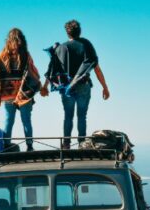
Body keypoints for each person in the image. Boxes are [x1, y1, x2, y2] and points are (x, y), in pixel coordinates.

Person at [40, 19, 110, 148]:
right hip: (83, 85)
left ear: (67, 33)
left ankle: (66, 144)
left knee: (68, 116)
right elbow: (96, 67)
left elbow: (52, 70)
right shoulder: (86, 44)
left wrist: (44, 86)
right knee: (82, 117)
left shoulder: (61, 48)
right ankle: (82, 144)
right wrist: (105, 87)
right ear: (80, 31)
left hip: (67, 88)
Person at [0, 28, 41, 152]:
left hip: (8, 94)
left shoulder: (1, 56)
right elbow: (33, 73)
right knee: (26, 120)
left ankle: (6, 146)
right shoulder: (25, 55)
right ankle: (29, 146)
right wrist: (34, 86)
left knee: (8, 120)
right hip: (24, 94)